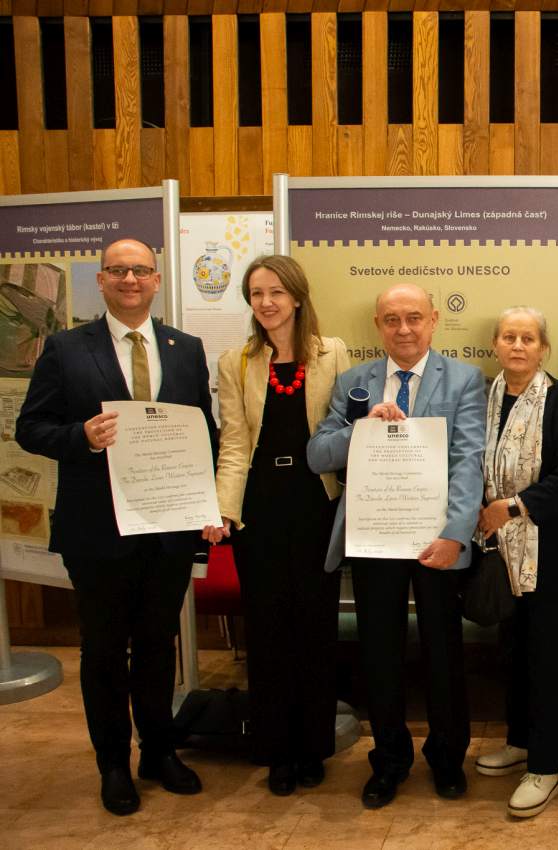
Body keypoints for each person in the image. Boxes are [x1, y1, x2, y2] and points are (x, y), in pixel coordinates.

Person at [16, 238, 215, 816]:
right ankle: (113, 764)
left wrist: (206, 502)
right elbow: (32, 428)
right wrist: (80, 437)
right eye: (118, 271)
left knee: (158, 645)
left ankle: (158, 751)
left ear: (156, 281)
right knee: (103, 650)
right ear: (102, 281)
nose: (130, 280)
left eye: (140, 271)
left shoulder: (185, 348)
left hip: (169, 526)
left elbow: (202, 430)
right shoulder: (65, 347)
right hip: (97, 529)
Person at [306, 283, 485, 809]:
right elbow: (319, 455)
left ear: (434, 320)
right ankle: (388, 761)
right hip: (374, 536)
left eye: (413, 318)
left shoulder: (465, 379)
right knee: (378, 653)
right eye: (391, 319)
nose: (403, 329)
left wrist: (455, 535)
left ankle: (448, 757)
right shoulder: (354, 381)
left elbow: (468, 460)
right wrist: (359, 427)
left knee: (443, 652)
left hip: (436, 540)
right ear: (378, 326)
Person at [201, 255, 350, 795]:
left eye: (275, 292)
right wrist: (224, 507)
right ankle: (276, 749)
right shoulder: (235, 361)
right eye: (256, 293)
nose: (266, 302)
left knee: (315, 626)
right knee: (266, 627)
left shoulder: (331, 353)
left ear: (296, 297)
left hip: (317, 501)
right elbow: (234, 442)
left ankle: (313, 747)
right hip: (260, 505)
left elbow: (340, 430)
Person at [472, 307, 558, 818]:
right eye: (509, 337)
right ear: (496, 345)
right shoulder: (483, 398)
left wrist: (512, 507)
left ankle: (545, 768)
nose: (518, 346)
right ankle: (521, 741)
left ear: (544, 348)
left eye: (528, 338)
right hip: (502, 552)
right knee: (515, 651)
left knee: (549, 659)